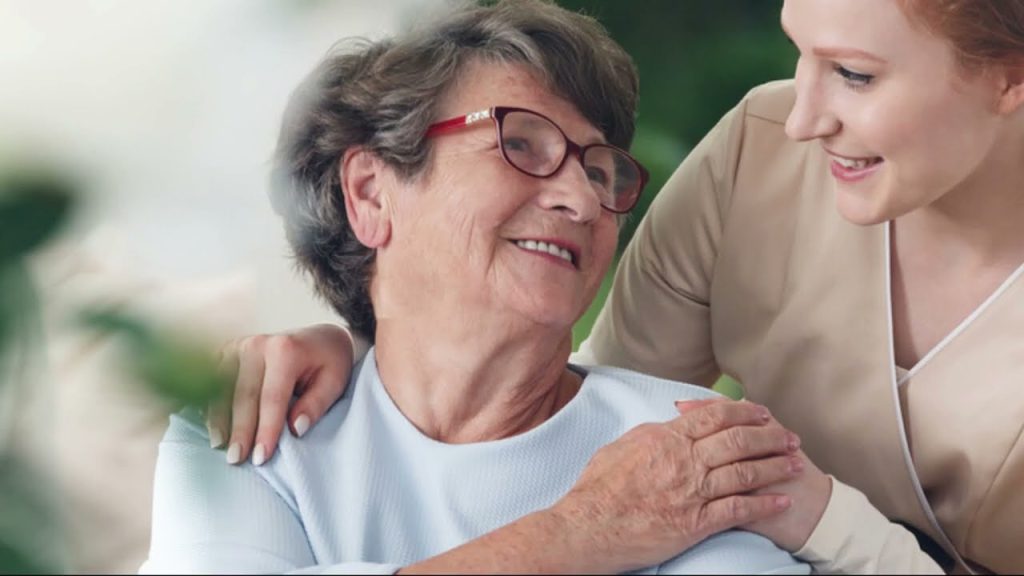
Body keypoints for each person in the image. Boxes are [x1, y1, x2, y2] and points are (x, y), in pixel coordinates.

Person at [207, 0, 1024, 573]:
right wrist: (368, 338)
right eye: (799, 50)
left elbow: (643, 488)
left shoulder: (718, 501)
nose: (805, 115)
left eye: (853, 73)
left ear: (1010, 78)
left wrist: (810, 514)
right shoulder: (764, 153)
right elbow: (574, 414)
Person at [142, 1, 823, 573]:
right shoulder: (247, 424)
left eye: (600, 169)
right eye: (522, 143)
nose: (582, 201)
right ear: (371, 194)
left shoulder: (690, 452)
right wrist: (581, 533)